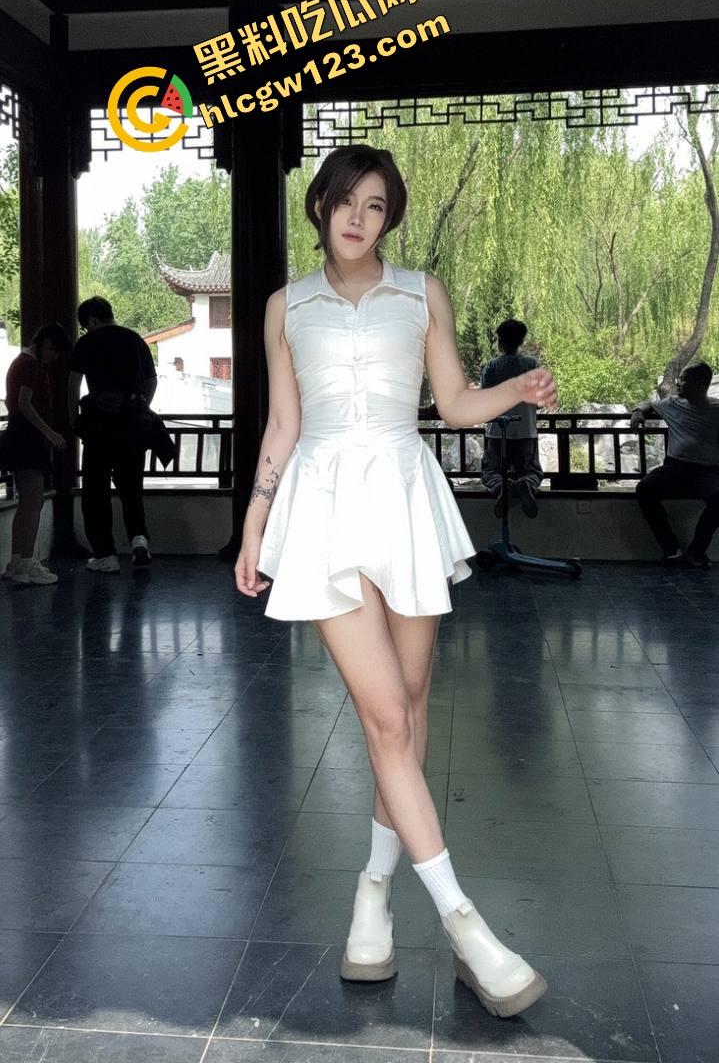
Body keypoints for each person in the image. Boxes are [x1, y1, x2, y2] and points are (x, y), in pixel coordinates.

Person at [234, 145, 558, 1018]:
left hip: (404, 496)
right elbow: (283, 424)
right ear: (319, 206)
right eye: (344, 200)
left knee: (407, 716)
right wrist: (256, 524)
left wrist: (516, 392)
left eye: (375, 206)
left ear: (389, 218)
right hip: (322, 504)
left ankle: (372, 896)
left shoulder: (421, 293)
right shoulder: (284, 306)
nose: (357, 217)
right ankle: (464, 924)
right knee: (384, 718)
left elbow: (451, 403)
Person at [68, 297, 157, 572]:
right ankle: (139, 540)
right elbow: (151, 380)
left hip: (98, 427)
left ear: (92, 320)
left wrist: (74, 421)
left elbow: (73, 384)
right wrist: (142, 406)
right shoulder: (135, 340)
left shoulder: (86, 343)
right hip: (131, 425)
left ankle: (105, 555)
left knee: (95, 491)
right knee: (131, 487)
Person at [1, 323, 70, 585]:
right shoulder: (32, 366)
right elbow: (25, 404)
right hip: (28, 438)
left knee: (27, 503)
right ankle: (27, 564)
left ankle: (17, 562)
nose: (54, 356)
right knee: (33, 502)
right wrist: (50, 433)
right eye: (54, 350)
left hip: (17, 435)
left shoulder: (19, 363)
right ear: (45, 344)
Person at [632, 361, 719, 567]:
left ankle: (697, 551)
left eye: (684, 380)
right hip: (675, 468)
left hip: (708, 472)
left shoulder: (716, 409)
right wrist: (637, 412)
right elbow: (648, 404)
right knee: (645, 489)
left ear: (701, 384)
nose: (679, 383)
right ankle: (671, 549)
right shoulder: (673, 403)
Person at [479, 318, 544, 518]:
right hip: (526, 430)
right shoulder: (532, 364)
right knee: (532, 471)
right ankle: (526, 484)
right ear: (522, 341)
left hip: (498, 431)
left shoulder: (491, 367)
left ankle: (502, 487)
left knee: (490, 472)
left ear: (500, 341)